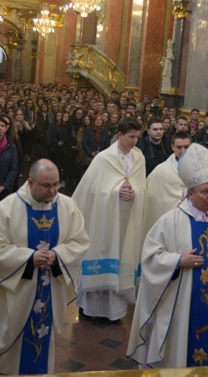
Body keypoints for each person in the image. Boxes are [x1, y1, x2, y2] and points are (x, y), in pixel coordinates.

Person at [127, 144, 208, 368]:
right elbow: (150, 258)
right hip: (181, 305)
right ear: (189, 193)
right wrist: (177, 261)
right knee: (181, 352)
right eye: (205, 192)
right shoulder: (171, 220)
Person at [0, 160, 90, 375]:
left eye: (56, 184)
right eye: (46, 185)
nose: (52, 190)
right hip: (13, 295)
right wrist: (28, 259)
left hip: (49, 290)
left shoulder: (67, 206)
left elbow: (79, 242)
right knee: (10, 352)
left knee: (42, 345)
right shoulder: (7, 208)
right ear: (30, 182)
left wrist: (58, 255)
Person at [74, 117, 146, 323]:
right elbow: (92, 190)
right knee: (103, 252)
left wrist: (135, 192)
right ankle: (89, 309)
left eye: (137, 137)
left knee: (122, 257)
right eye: (130, 137)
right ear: (120, 135)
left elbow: (142, 186)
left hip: (127, 220)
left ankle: (114, 311)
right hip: (104, 220)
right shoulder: (104, 158)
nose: (134, 141)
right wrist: (115, 192)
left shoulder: (139, 157)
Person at [141, 131, 192, 235]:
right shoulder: (160, 171)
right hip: (170, 222)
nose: (183, 151)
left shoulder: (201, 168)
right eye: (179, 147)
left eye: (186, 147)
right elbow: (152, 200)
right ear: (172, 147)